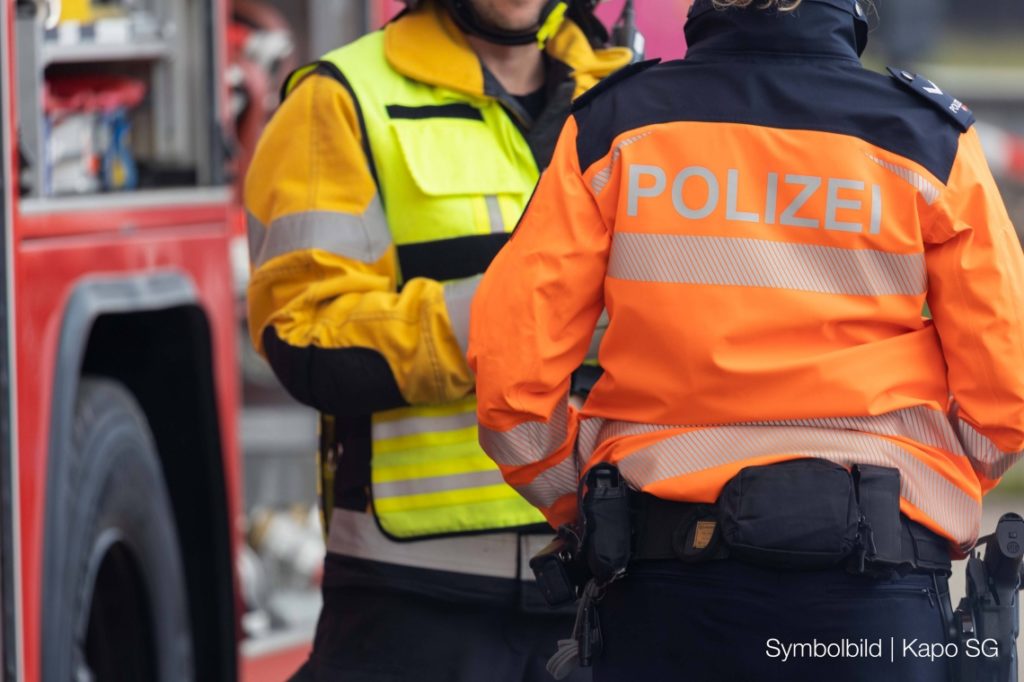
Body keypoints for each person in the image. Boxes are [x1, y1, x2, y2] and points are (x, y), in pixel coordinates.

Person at [468, 0, 1024, 680]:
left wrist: (585, 500)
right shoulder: (926, 136)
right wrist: (925, 488)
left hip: (663, 578)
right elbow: (1009, 390)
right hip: (876, 586)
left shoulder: (614, 126)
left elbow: (511, 385)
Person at [244, 0, 632, 679]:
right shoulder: (340, 99)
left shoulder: (638, 101)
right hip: (412, 600)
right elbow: (304, 337)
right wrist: (510, 320)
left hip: (613, 588)